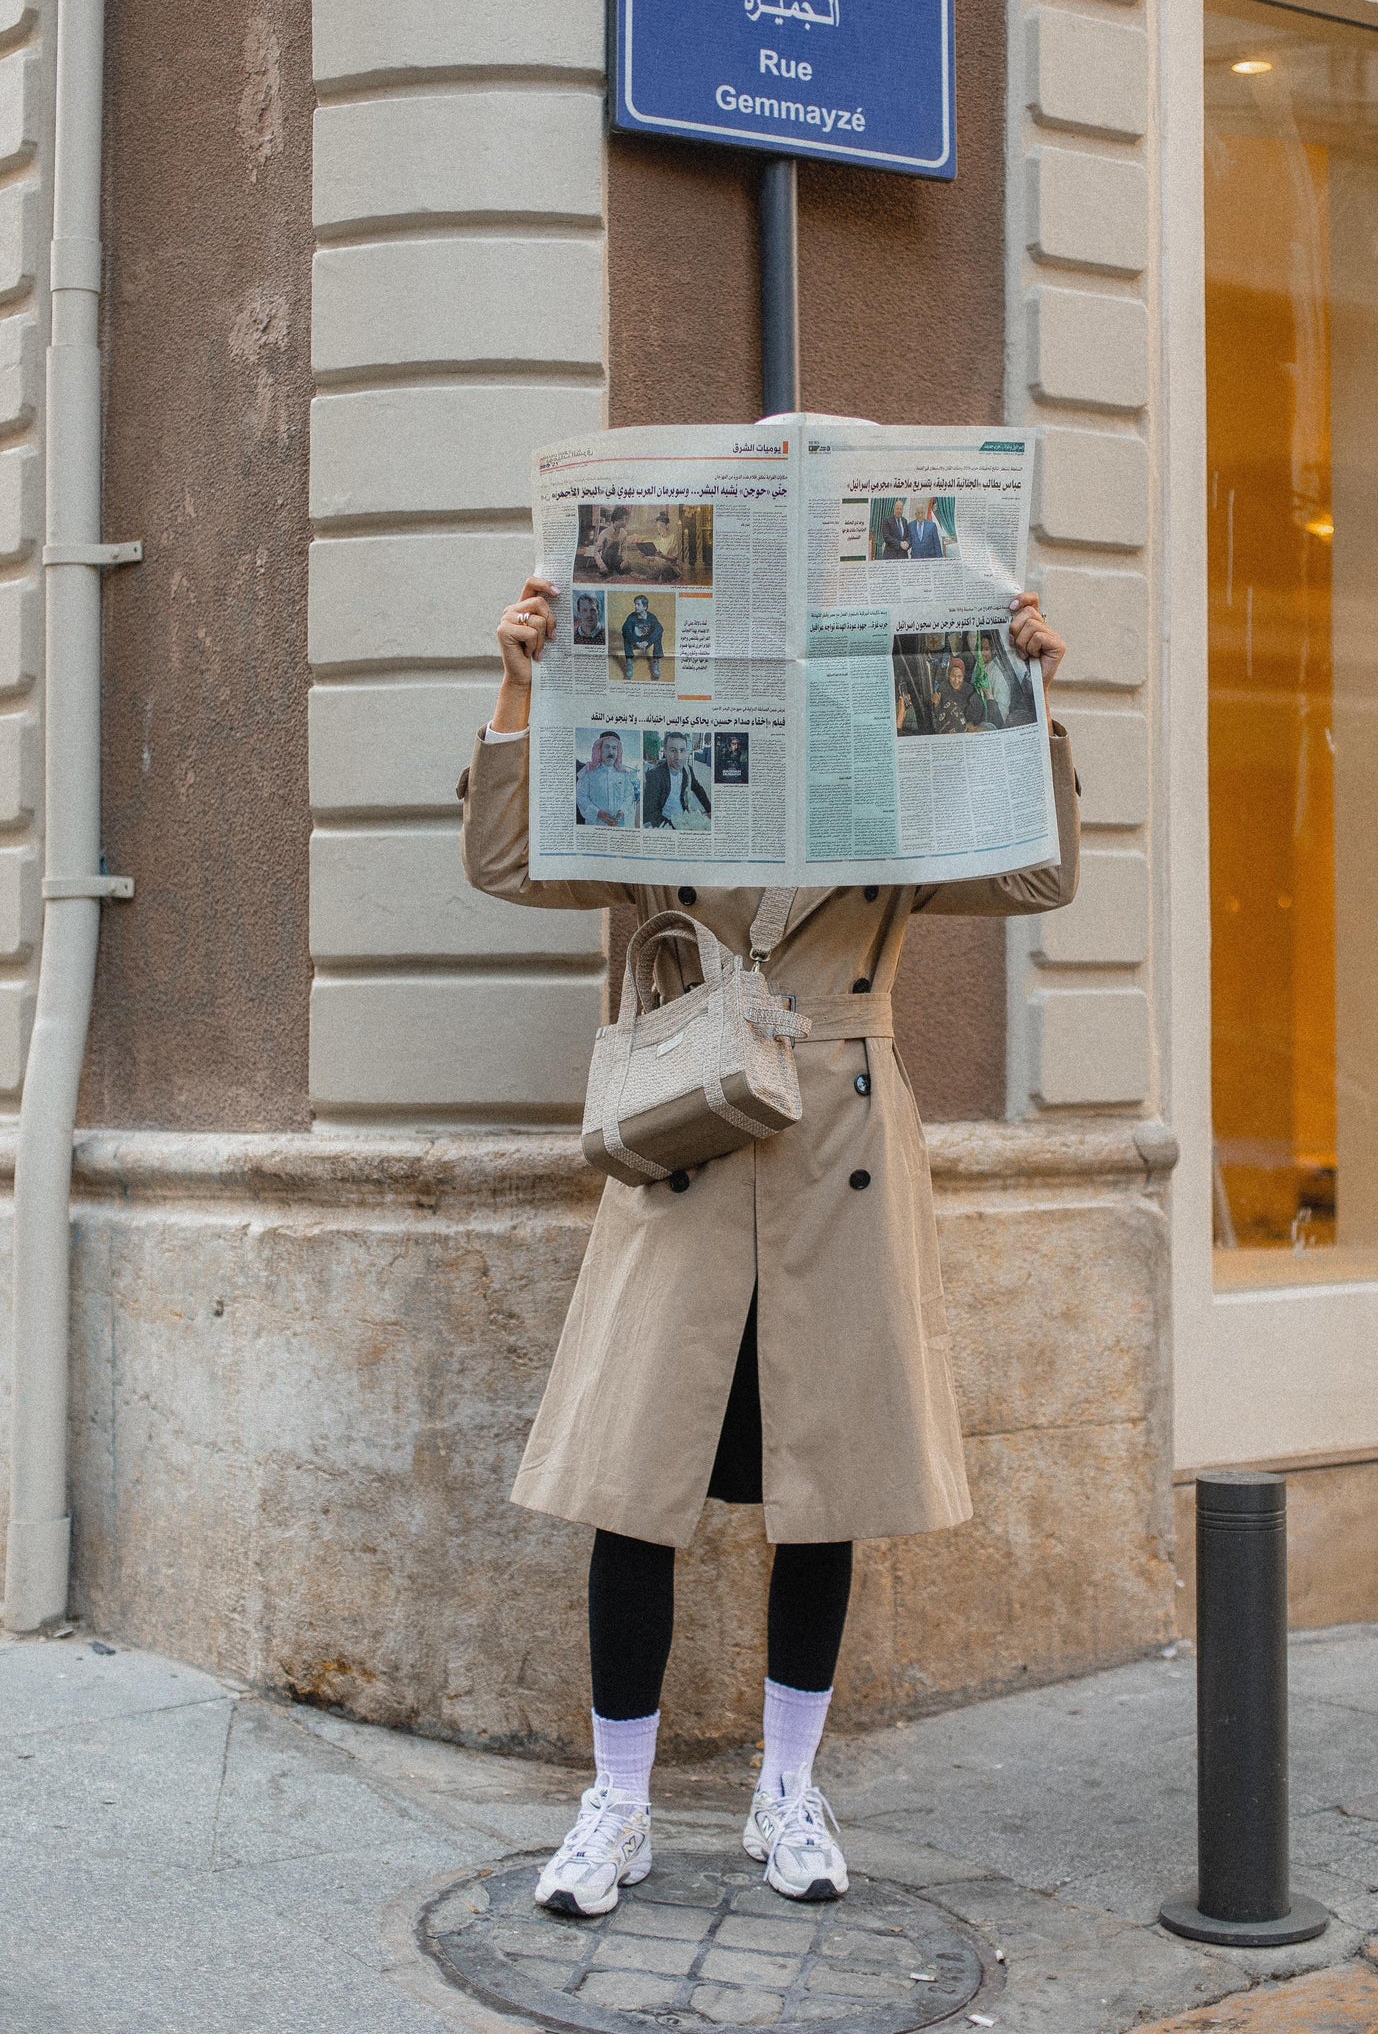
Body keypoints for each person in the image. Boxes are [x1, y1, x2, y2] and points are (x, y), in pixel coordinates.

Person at [458, 524, 1076, 1924]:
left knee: (827, 1485)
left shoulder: (898, 786)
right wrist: (518, 686)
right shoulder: (649, 760)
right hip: (690, 1137)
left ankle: (785, 1787)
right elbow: (507, 862)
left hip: (840, 1144)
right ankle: (615, 1799)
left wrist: (1029, 694)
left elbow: (1037, 879)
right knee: (633, 1487)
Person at [643, 731, 711, 829]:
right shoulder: (655, 775)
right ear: (665, 752)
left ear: (686, 751)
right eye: (673, 750)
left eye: (682, 750)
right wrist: (675, 827)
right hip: (666, 822)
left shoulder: (687, 769)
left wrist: (709, 809)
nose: (678, 757)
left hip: (684, 816)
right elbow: (651, 813)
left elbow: (697, 788)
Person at [576, 731, 638, 828]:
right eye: (607, 747)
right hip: (595, 826)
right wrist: (598, 813)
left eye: (614, 748)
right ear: (599, 750)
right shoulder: (588, 772)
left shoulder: (624, 774)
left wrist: (621, 812)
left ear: (618, 751)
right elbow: (581, 796)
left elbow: (629, 796)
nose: (611, 752)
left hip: (618, 825)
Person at [621, 594, 665, 681]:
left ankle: (655, 661)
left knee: (658, 634)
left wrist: (647, 642)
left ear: (645, 607)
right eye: (635, 604)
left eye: (638, 604)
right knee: (625, 634)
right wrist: (636, 642)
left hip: (647, 641)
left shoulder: (651, 617)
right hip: (636, 641)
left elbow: (660, 629)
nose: (635, 606)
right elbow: (625, 629)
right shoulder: (631, 617)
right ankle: (629, 661)